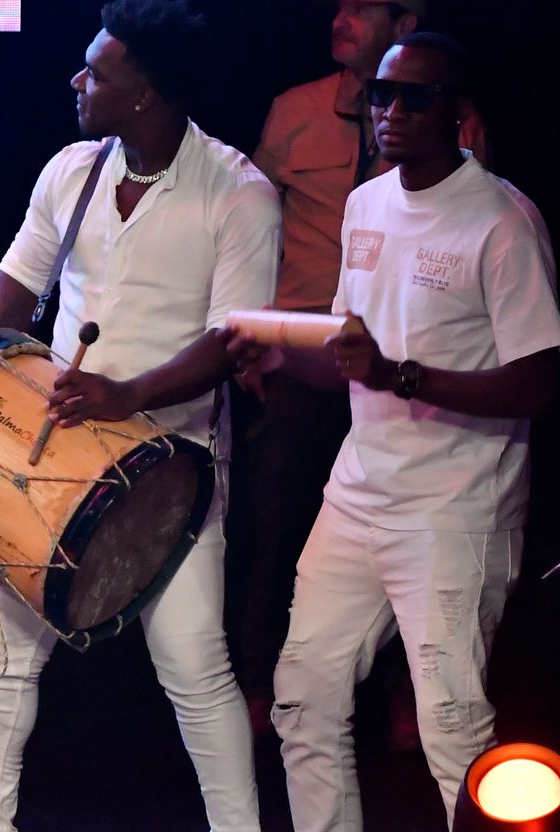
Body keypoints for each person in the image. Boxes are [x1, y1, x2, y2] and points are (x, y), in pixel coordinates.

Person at [0, 0, 281, 832]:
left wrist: (130, 394)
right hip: (57, 461)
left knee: (195, 669)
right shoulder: (71, 172)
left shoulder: (238, 192)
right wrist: (4, 365)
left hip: (172, 468)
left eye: (97, 73)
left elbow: (233, 340)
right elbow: (14, 285)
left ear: (145, 89)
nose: (78, 84)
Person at [219, 33, 560, 832]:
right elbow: (354, 357)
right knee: (304, 687)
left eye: (412, 100)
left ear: (457, 111)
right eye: (380, 97)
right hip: (362, 490)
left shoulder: (498, 220)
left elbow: (538, 382)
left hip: (455, 505)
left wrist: (402, 371)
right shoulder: (368, 206)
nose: (390, 114)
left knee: (453, 722)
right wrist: (281, 352)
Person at [232, 0, 489, 736]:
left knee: (410, 534)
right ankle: (259, 686)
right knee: (280, 518)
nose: (339, 18)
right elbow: (252, 223)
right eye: (336, 8)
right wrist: (257, 330)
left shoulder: (452, 125)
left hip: (410, 354)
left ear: (403, 23)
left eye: (361, 7)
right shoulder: (296, 112)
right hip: (309, 352)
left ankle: (410, 696)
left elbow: (467, 225)